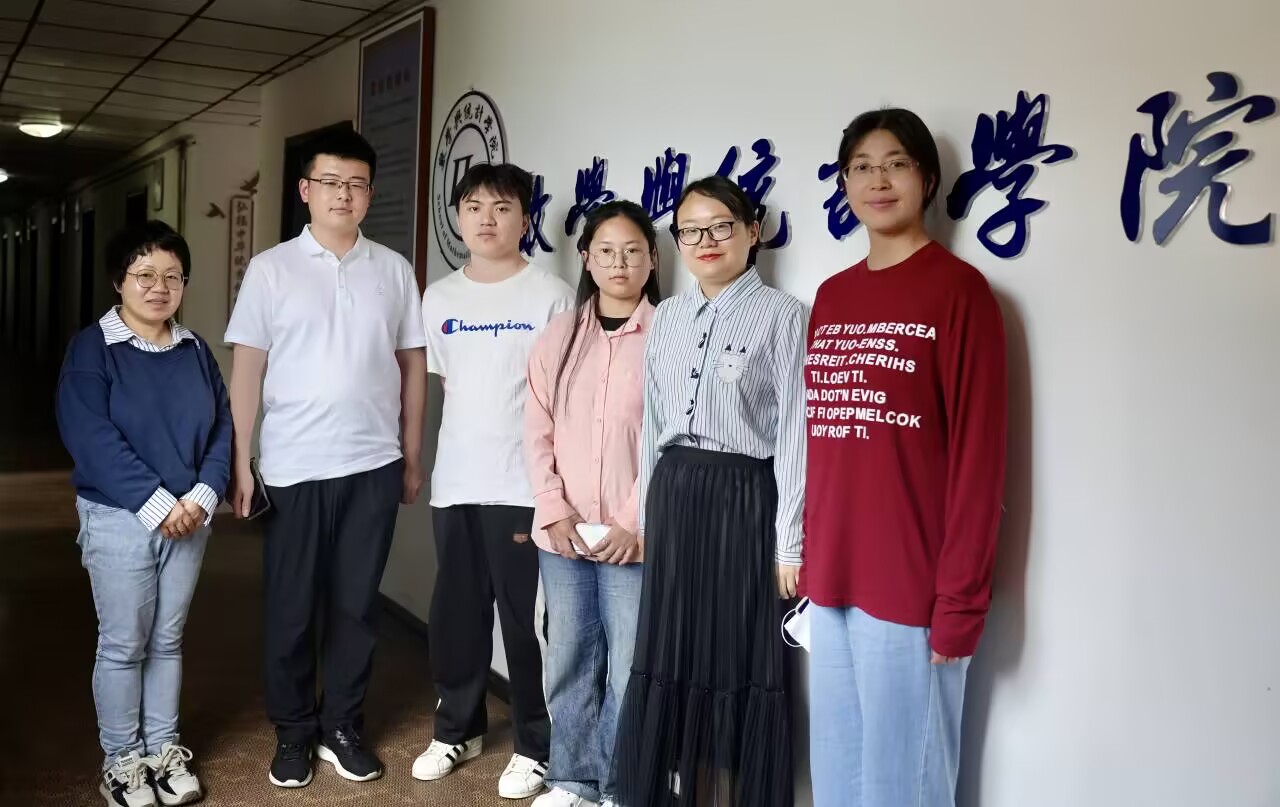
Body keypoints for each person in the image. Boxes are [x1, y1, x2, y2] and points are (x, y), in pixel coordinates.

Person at [802, 108, 1008, 807]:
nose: (878, 180)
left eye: (895, 164)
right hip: (832, 583)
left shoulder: (959, 291)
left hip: (913, 588)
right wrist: (811, 559)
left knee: (905, 789)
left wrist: (960, 603)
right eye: (861, 167)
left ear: (926, 178)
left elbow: (979, 463)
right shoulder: (833, 296)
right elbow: (827, 442)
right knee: (838, 782)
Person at [223, 128, 428, 788]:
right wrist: (239, 460)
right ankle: (292, 730)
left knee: (356, 607)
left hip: (373, 463)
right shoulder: (272, 269)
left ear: (370, 193)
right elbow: (247, 369)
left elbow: (412, 365)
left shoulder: (393, 269)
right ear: (306, 189)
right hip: (293, 467)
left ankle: (342, 725)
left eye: (357, 184)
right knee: (291, 608)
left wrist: (411, 454)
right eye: (332, 182)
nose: (345, 195)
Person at [610, 176, 807, 807]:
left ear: (752, 232)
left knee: (733, 656)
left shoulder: (783, 315)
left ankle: (725, 796)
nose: (705, 240)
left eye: (720, 225)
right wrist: (646, 520)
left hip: (743, 499)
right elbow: (652, 426)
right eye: (690, 230)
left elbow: (796, 433)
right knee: (669, 648)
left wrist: (789, 544)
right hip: (674, 495)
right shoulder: (666, 316)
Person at [412, 162, 573, 800]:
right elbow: (450, 383)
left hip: (523, 486)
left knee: (524, 622)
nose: (487, 219)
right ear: (458, 217)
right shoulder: (439, 298)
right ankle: (459, 728)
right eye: (474, 207)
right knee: (457, 614)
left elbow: (563, 396)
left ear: (525, 220)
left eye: (502, 208)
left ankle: (535, 743)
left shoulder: (551, 295)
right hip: (456, 480)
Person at [57, 220, 230, 807]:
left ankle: (162, 750)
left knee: (168, 641)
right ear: (119, 281)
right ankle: (122, 762)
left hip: (190, 517)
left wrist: (203, 495)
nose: (159, 287)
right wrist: (158, 504)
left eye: (172, 277)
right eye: (145, 275)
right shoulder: (92, 349)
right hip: (120, 516)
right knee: (123, 644)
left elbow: (222, 425)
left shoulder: (195, 349)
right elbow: (90, 435)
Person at [524, 200, 660, 807]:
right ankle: (571, 778)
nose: (619, 263)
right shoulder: (561, 335)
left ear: (652, 259)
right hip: (564, 533)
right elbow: (536, 427)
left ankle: (617, 784)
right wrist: (554, 508)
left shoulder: (668, 334)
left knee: (630, 664)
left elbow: (668, 437)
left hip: (634, 536)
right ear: (586, 258)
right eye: (605, 251)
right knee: (570, 657)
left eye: (632, 251)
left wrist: (634, 520)